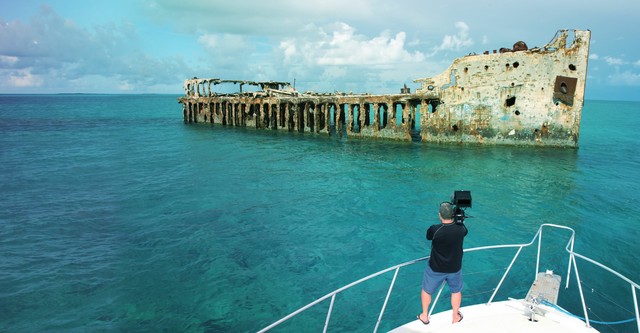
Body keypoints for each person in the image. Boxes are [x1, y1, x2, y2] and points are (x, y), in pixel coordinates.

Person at [417, 201, 468, 325]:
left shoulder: (435, 230)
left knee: (427, 291)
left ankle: (424, 315)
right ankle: (455, 316)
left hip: (436, 268)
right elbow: (464, 230)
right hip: (455, 268)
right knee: (456, 292)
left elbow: (428, 236)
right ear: (453, 215)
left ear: (440, 215)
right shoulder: (461, 229)